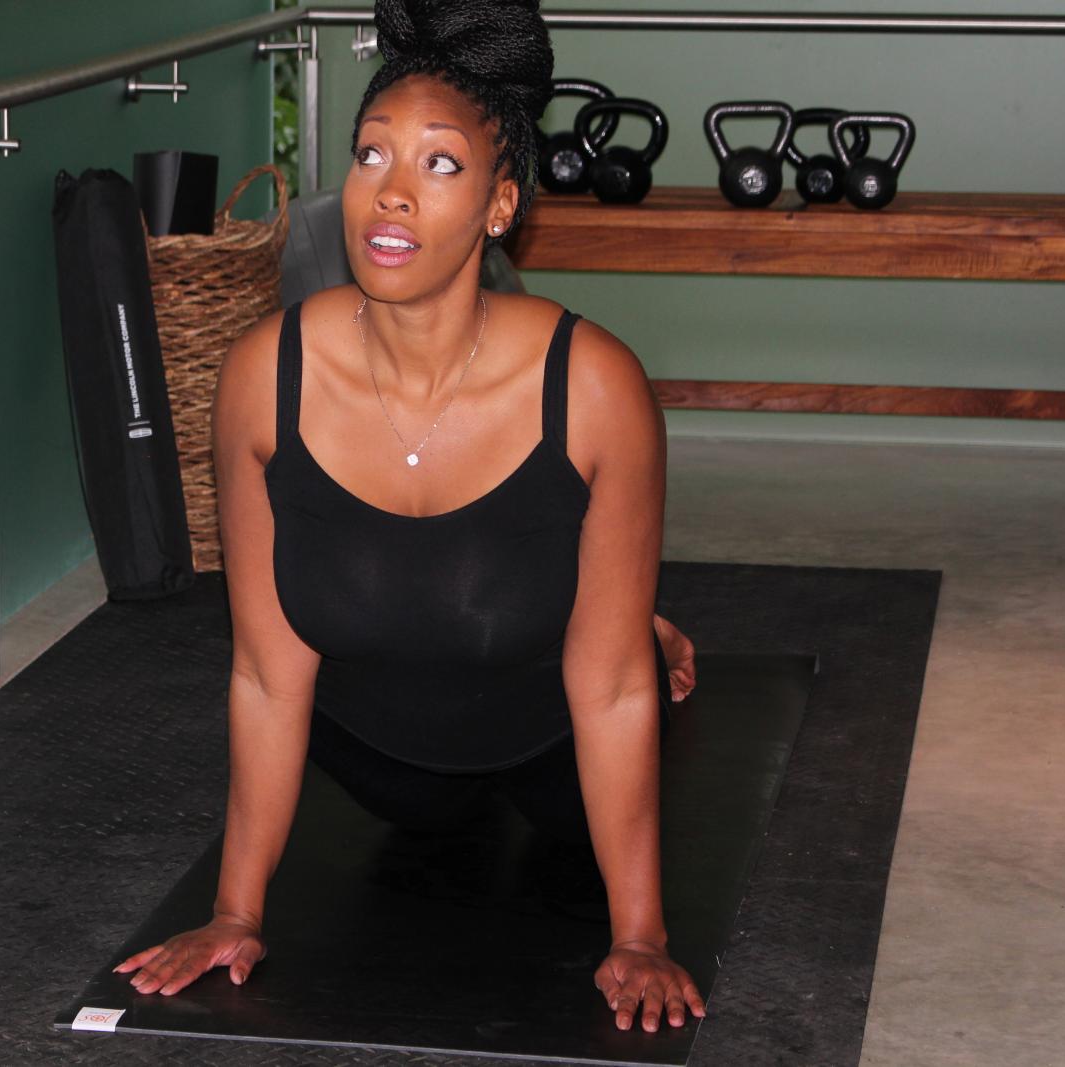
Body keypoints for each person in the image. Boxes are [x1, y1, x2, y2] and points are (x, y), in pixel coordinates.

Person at [113, 0, 705, 1035]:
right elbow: (265, 671)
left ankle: (625, 614)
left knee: (606, 684)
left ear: (499, 204)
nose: (390, 190)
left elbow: (609, 693)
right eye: (371, 154)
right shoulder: (263, 376)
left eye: (438, 163)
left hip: (550, 738)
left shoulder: (593, 384)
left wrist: (641, 932)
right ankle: (583, 602)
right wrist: (234, 912)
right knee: (428, 813)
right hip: (385, 758)